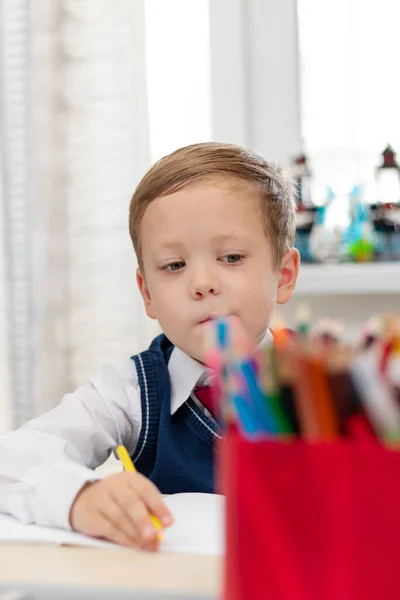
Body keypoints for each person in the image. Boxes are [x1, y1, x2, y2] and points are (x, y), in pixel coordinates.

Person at [0, 142, 300, 551]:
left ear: (283, 275)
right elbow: (12, 460)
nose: (202, 283)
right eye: (174, 266)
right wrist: (79, 496)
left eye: (231, 257)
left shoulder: (332, 380)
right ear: (147, 294)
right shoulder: (127, 390)